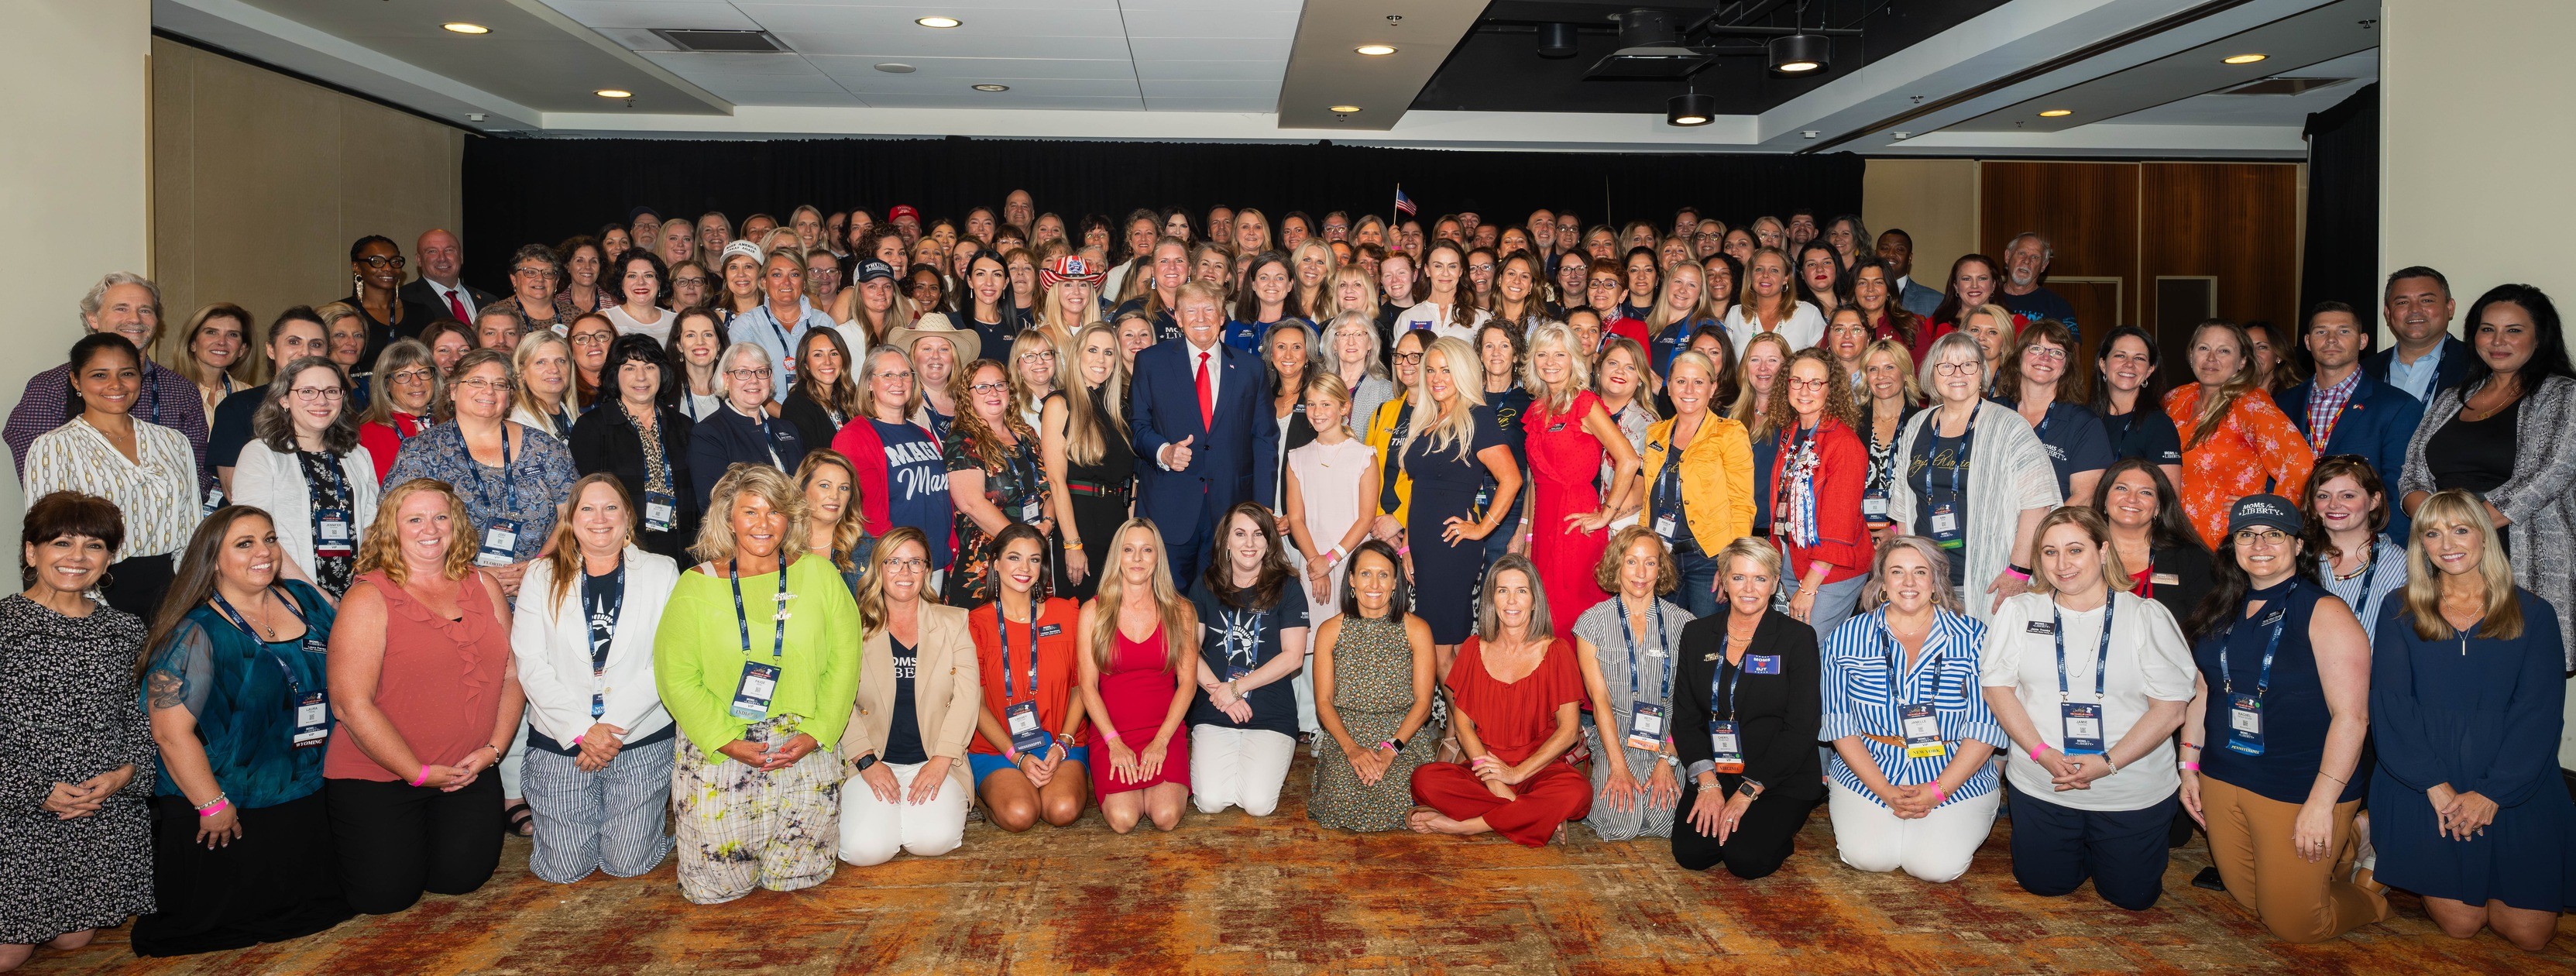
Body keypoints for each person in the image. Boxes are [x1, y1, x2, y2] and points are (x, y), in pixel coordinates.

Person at [132, 507, 354, 955]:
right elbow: (170, 735)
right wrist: (212, 804)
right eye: (245, 544)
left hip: (309, 786)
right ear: (213, 559)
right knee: (218, 921)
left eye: (269, 539)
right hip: (228, 801)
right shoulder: (194, 633)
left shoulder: (304, 601)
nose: (264, 552)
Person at [2370, 489, 2573, 952]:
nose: (2447, 544)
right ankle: (2376, 829)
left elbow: (2539, 713)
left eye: (2460, 530)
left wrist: (2492, 793)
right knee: (2462, 924)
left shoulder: (2534, 613)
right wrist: (2436, 787)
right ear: (2421, 543)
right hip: (2426, 778)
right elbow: (2392, 706)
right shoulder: (2399, 609)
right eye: (2432, 533)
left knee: (2529, 935)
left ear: (2484, 535)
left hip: (2512, 777)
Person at [2178, 494, 2386, 942]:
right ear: (2232, 546)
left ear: (2298, 545)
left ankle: (2370, 891)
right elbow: (2204, 691)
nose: (2260, 545)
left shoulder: (2325, 612)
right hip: (2222, 775)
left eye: (2274, 534)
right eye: (2247, 535)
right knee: (2251, 900)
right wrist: (2187, 765)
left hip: (2299, 786)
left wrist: (2322, 805)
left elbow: (2352, 718)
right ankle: (2345, 846)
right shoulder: (2220, 606)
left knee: (2296, 924)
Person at [652, 464, 861, 904]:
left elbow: (845, 661)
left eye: (774, 511)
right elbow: (676, 676)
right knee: (716, 893)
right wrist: (727, 741)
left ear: (790, 518)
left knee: (798, 883)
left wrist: (818, 733)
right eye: (750, 512)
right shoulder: (695, 586)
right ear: (729, 519)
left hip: (804, 746)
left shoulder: (821, 576)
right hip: (721, 748)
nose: (763, 524)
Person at [323, 478, 524, 914]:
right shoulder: (368, 597)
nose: (429, 529)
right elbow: (350, 705)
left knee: (462, 878)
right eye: (414, 519)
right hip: (381, 774)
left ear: (456, 524)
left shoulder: (485, 585)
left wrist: (493, 750)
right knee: (386, 897)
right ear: (391, 529)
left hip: (468, 769)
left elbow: (512, 674)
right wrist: (416, 772)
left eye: (440, 517)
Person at [1980, 507, 2194, 910]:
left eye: (2075, 550)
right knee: (2044, 885)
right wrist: (2043, 754)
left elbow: (2170, 710)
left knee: (2132, 898)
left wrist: (2107, 763)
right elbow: (1996, 690)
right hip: (2043, 781)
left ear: (2103, 550)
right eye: (2050, 552)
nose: (2062, 564)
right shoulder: (2020, 611)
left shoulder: (2144, 615)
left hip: (2128, 788)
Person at [0, 493, 156, 969]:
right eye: (62, 542)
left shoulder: (125, 630)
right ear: (32, 552)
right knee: (8, 958)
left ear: (108, 560)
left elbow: (138, 718)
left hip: (98, 806)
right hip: (16, 808)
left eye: (94, 545)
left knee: (72, 941)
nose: (78, 557)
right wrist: (33, 789)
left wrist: (126, 774)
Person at [510, 475, 678, 885]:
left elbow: (666, 661)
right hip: (561, 736)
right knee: (563, 869)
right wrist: (583, 731)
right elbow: (530, 663)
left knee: (627, 863)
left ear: (628, 518)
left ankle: (644, 830)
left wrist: (609, 729)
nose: (599, 518)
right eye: (587, 508)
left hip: (638, 733)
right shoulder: (541, 575)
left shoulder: (662, 571)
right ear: (571, 519)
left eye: (610, 508)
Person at [2397, 284, 2576, 663]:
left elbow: (2547, 475)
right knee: (2445, 674)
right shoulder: (2452, 398)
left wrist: (2458, 530)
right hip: (2445, 562)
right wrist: (2440, 532)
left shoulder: (2563, 395)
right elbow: (2412, 473)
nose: (2498, 341)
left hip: (2521, 560)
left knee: (2516, 679)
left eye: (2514, 330)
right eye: (2487, 329)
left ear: (2539, 337)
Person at [1820, 535, 2008, 882]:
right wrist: (1885, 791)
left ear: (1935, 581)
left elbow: (1986, 727)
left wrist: (1938, 791)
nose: (1909, 582)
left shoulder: (1974, 637)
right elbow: (1839, 724)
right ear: (1882, 583)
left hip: (1954, 770)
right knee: (1869, 858)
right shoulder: (1846, 636)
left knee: (1935, 867)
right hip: (1870, 770)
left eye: (1920, 572)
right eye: (1897, 572)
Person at [1406, 556, 1591, 846]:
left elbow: (1568, 732)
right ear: (1491, 599)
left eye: (1521, 591)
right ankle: (1533, 815)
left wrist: (1516, 774)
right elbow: (1463, 727)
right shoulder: (1472, 649)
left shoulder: (1557, 651)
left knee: (1578, 793)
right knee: (1424, 779)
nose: (1511, 601)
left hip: (1538, 770)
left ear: (1534, 600)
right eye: (1503, 590)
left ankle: (1468, 826)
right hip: (1484, 768)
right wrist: (1494, 780)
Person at [24, 332, 204, 620]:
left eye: (127, 374)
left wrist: (188, 597)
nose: (116, 385)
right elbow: (50, 538)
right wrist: (96, 611)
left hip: (170, 590)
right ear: (75, 381)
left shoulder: (174, 441)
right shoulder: (54, 446)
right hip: (89, 589)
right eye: (100, 375)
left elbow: (192, 526)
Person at [1670, 537, 1822, 878]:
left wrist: (1748, 791)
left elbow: (1802, 726)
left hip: (1778, 775)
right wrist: (1707, 782)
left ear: (1775, 583)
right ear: (1724, 581)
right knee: (1692, 853)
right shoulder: (1696, 634)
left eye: (1760, 578)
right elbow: (1685, 717)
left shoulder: (1797, 638)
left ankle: (1776, 832)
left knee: (1746, 860)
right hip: (1718, 769)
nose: (1749, 589)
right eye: (1738, 577)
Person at [1885, 332, 2060, 622]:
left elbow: (2039, 503)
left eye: (1968, 365)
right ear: (1932, 374)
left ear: (1981, 373)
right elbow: (1904, 506)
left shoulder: (2009, 426)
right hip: (1925, 580)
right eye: (1946, 366)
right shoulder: (1916, 425)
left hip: (1988, 577)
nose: (1958, 373)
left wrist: (2018, 571)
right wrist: (1905, 569)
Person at [384, 349, 578, 600]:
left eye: (499, 384)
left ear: (510, 396)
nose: (489, 391)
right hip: (452, 593)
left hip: (540, 589)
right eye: (477, 382)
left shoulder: (545, 447)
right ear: (453, 390)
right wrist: (469, 575)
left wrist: (540, 566)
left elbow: (573, 514)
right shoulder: (421, 451)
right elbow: (394, 524)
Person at [835, 526, 977, 867]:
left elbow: (967, 698)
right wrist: (866, 761)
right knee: (864, 852)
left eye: (915, 562)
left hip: (935, 760)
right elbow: (839, 699)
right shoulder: (853, 626)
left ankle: (902, 818)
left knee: (933, 841)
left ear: (927, 570)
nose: (905, 571)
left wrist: (942, 760)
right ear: (879, 568)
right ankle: (888, 818)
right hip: (872, 760)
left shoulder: (954, 622)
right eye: (894, 562)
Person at [1130, 281, 1279, 581]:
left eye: (1209, 309)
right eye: (1191, 311)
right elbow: (1138, 427)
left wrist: (1262, 508)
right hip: (1169, 508)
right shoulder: (1150, 362)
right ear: (1178, 318)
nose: (1201, 318)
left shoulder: (1251, 368)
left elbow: (1264, 440)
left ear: (1222, 316)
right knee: (1170, 600)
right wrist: (1164, 452)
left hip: (1231, 512)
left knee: (1224, 599)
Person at [7, 273, 209, 494]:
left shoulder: (182, 390)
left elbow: (196, 476)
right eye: (121, 308)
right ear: (93, 319)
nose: (135, 319)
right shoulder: (49, 388)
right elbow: (41, 481)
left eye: (145, 310)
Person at [1184, 503, 1312, 817]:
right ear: (1226, 540)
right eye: (1240, 534)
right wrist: (1223, 695)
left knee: (1257, 804)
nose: (1250, 543)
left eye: (1258, 534)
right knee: (1211, 801)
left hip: (1270, 712)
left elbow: (1293, 657)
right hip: (1215, 707)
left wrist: (1236, 688)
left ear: (1269, 541)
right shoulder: (1205, 584)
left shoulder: (1288, 587)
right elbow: (1187, 651)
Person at [1401, 337, 1523, 662]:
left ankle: (1467, 700)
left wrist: (1482, 529)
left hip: (1451, 545)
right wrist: (1407, 546)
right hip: (1423, 546)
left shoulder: (1477, 417)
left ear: (1463, 372)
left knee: (1438, 651)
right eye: (1431, 370)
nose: (1437, 378)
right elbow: (1418, 490)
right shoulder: (1426, 420)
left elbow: (1512, 479)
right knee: (1446, 648)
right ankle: (1466, 699)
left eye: (1446, 370)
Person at [1077, 519, 1199, 833]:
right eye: (1129, 550)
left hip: (1164, 731)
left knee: (1166, 816)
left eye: (1147, 550)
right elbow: (1087, 687)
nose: (1137, 559)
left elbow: (1188, 684)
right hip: (1112, 732)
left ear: (1158, 557)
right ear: (1117, 555)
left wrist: (1162, 741)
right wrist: (1114, 743)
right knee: (1123, 819)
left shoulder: (1181, 610)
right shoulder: (1093, 612)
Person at [1306, 541, 1437, 832]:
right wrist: (1351, 749)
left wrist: (1391, 749)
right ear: (1352, 580)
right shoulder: (1329, 631)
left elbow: (1423, 704)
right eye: (1366, 574)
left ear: (1396, 582)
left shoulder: (1417, 629)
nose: (1374, 584)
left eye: (1384, 575)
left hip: (1403, 735)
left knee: (1397, 795)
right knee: (1342, 798)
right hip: (1346, 735)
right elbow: (1324, 702)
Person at [967, 524, 1091, 832]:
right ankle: (1001, 794)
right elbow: (974, 705)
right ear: (996, 563)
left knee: (1062, 809)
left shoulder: (1067, 615)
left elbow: (1081, 688)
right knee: (1020, 814)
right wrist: (1017, 757)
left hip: (1061, 740)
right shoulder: (976, 624)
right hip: (1000, 747)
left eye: (1034, 559)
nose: (1024, 568)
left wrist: (1063, 744)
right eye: (1014, 557)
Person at [1571, 529, 1691, 842]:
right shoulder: (1591, 623)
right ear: (1617, 564)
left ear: (1661, 568)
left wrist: (1668, 760)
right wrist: (1618, 766)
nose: (1641, 573)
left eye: (1650, 563)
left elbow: (1688, 703)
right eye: (1631, 561)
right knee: (1619, 823)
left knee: (1665, 823)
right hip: (1616, 734)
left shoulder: (1685, 624)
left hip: (1669, 738)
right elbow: (1600, 701)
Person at [1521, 322, 1640, 638]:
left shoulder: (1584, 403)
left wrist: (1606, 515)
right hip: (1544, 523)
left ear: (1574, 358)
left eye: (1559, 354)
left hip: (1577, 521)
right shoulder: (1536, 409)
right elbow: (1536, 480)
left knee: (1573, 617)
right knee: (1544, 618)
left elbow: (1629, 460)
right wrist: (1528, 534)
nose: (1550, 362)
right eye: (1542, 354)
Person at [2279, 302, 2426, 541]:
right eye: (2321, 331)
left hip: (2365, 546)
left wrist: (2383, 553)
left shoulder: (2398, 406)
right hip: (2295, 541)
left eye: (2344, 331)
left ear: (2363, 341)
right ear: (2307, 342)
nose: (2331, 339)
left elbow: (2400, 490)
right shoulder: (2283, 404)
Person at [232, 356, 378, 597]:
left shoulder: (357, 455)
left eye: (331, 391)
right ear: (284, 399)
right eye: (307, 391)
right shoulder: (260, 454)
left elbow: (371, 527)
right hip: (288, 592)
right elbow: (255, 535)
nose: (321, 400)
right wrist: (314, 596)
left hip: (354, 594)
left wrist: (360, 588)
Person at [2165, 319, 2315, 548]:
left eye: (2224, 351)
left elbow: (2300, 463)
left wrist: (2264, 511)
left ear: (2242, 361)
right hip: (2173, 537)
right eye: (2204, 348)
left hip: (2225, 544)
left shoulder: (2250, 404)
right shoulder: (2174, 399)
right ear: (2191, 354)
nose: (2211, 358)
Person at [1639, 350, 1754, 618]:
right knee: (1662, 634)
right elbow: (1648, 499)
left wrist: (1732, 564)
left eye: (1698, 382)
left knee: (1706, 637)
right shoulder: (1655, 433)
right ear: (1669, 387)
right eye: (1681, 381)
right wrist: (1643, 550)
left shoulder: (1730, 433)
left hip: (1709, 558)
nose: (1689, 390)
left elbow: (1742, 504)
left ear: (1712, 388)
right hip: (1661, 556)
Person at [1768, 348, 1874, 637]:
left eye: (1815, 383)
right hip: (1794, 559)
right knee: (1797, 646)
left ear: (1831, 389)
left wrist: (1808, 588)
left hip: (1832, 570)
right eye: (1797, 381)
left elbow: (1839, 525)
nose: (1805, 391)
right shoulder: (1791, 432)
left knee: (1811, 644)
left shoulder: (1844, 443)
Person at [569, 335, 699, 562]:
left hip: (684, 546)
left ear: (661, 372)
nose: (641, 377)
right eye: (629, 368)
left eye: (649, 367)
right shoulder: (592, 427)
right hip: (623, 548)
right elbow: (584, 499)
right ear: (615, 375)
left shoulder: (684, 426)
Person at [832, 346, 953, 582]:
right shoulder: (855, 436)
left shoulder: (924, 434)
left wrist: (949, 546)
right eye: (887, 375)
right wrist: (901, 559)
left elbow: (942, 496)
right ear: (869, 383)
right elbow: (867, 513)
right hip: (893, 563)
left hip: (934, 560)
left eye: (905, 374)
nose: (898, 382)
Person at [943, 358, 1053, 605]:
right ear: (967, 396)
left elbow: (1050, 487)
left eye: (999, 385)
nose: (993, 392)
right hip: (985, 565)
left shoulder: (1027, 434)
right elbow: (971, 503)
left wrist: (1047, 525)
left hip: (1032, 559)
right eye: (982, 387)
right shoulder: (962, 441)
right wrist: (1021, 544)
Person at [208, 308, 328, 498]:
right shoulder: (237, 407)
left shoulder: (334, 408)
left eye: (316, 344)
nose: (305, 352)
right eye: (294, 342)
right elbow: (234, 492)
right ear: (271, 350)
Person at [1995, 320, 2114, 501]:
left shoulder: (2083, 424)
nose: (2045, 357)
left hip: (2055, 518)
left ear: (2066, 367)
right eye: (2036, 348)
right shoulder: (1992, 411)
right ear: (2018, 357)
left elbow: (2085, 497)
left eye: (2057, 352)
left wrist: (2042, 521)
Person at [687, 343, 809, 507]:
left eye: (761, 372)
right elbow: (714, 504)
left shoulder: (788, 429)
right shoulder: (709, 434)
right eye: (743, 372)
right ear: (726, 380)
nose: (754, 380)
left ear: (770, 379)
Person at [2096, 459, 2216, 623]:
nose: (2132, 499)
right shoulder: (2078, 552)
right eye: (2122, 488)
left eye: (2146, 493)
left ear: (2158, 508)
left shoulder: (2190, 558)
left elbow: (2204, 627)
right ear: (2104, 498)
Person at [2304, 456, 2408, 644]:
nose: (2333, 504)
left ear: (2374, 500)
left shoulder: (2401, 565)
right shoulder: (2297, 557)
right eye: (2323, 496)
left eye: (2348, 496)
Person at [730, 249, 839, 404]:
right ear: (764, 282)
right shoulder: (746, 325)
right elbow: (741, 384)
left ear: (804, 282)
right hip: (765, 414)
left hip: (820, 411)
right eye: (777, 275)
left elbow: (839, 376)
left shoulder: (823, 322)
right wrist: (787, 415)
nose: (786, 282)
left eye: (794, 274)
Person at [2093, 325, 2186, 490]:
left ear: (2150, 370)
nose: (2129, 364)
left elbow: (2169, 497)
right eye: (2120, 355)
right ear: (2103, 364)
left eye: (2139, 358)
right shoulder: (2083, 419)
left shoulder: (2158, 425)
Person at [2367, 266, 2472, 404]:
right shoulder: (2363, 371)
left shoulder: (2479, 365)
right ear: (2388, 313)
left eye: (2426, 300)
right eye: (2402, 302)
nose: (2415, 310)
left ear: (2450, 308)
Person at [342, 235, 439, 370]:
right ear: (356, 267)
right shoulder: (341, 313)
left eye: (395, 261)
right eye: (377, 261)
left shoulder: (421, 314)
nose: (388, 268)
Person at [1859, 339, 1924, 538]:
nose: (1881, 376)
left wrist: (1895, 530)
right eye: (1873, 369)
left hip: (1906, 532)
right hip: (1858, 532)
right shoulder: (1852, 421)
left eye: (1889, 367)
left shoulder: (1923, 422)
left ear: (1905, 374)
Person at [1729, 332, 1790, 541]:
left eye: (1772, 360)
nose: (1763, 368)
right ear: (1745, 367)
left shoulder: (1794, 421)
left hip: (1773, 537)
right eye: (1755, 360)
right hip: (1729, 531)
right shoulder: (1727, 418)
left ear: (1786, 367)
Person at [357, 339, 439, 483]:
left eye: (423, 372)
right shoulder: (367, 435)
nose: (416, 382)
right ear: (386, 384)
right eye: (403, 375)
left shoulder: (452, 423)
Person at [1724, 248, 1822, 356]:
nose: (1765, 275)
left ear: (1786, 278)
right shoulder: (1735, 314)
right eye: (1759, 269)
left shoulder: (1808, 313)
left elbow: (1824, 359)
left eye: (1774, 270)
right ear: (1750, 276)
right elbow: (1726, 361)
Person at [779, 328, 862, 450]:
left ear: (843, 359)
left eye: (834, 354)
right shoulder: (796, 407)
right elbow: (810, 458)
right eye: (818, 355)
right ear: (806, 364)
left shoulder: (849, 397)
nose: (828, 362)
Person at [1994, 232, 2080, 344]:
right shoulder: (1989, 298)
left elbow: (2072, 350)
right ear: (2007, 256)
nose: (2027, 261)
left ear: (2043, 266)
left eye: (2035, 257)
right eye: (2021, 253)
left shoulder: (2058, 306)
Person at [404, 229, 496, 324]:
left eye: (449, 250)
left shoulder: (489, 301)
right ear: (419, 260)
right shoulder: (403, 301)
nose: (442, 258)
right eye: (432, 251)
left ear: (461, 257)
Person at [177, 303, 251, 419]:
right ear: (193, 344)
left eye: (232, 335)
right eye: (211, 332)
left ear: (242, 349)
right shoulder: (170, 392)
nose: (222, 342)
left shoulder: (249, 396)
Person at [507, 331, 578, 442]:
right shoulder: (521, 424)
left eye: (561, 361)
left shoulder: (565, 411)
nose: (554, 369)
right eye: (541, 362)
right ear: (522, 372)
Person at [487, 244, 569, 337]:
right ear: (514, 280)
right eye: (530, 272)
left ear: (556, 281)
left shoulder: (575, 316)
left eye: (547, 273)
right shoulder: (494, 315)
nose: (540, 279)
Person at [666, 308, 727, 422]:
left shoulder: (735, 392)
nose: (700, 342)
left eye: (708, 335)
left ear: (719, 344)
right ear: (679, 345)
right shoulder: (664, 393)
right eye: (690, 335)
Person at [603, 250, 675, 345]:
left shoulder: (676, 321)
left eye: (648, 275)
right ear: (621, 284)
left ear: (659, 283)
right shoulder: (606, 319)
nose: (641, 282)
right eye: (632, 276)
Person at [1877, 229, 1945, 318]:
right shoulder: (1860, 296)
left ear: (1909, 258)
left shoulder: (1938, 302)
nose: (1891, 254)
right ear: (1875, 254)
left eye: (1899, 249)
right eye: (1885, 248)